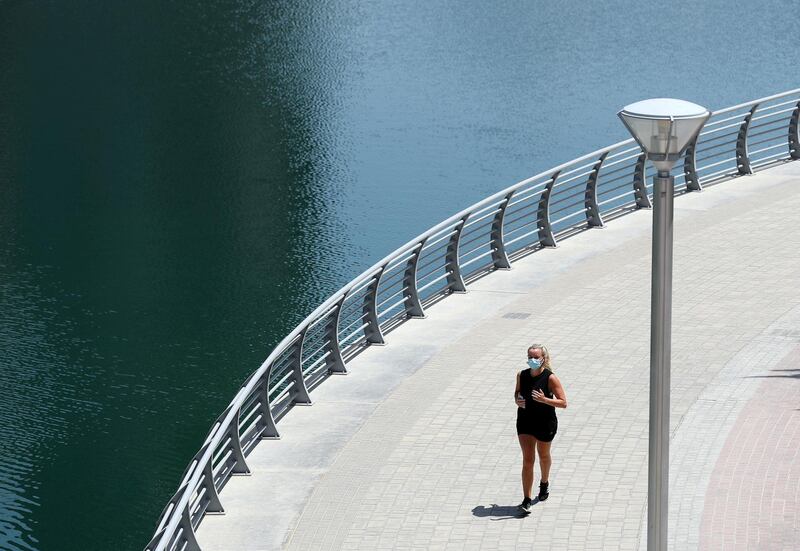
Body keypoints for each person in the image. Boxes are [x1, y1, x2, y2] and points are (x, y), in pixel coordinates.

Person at [514, 344, 567, 514]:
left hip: (545, 422)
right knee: (527, 460)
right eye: (530, 357)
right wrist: (517, 400)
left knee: (543, 455)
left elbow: (563, 402)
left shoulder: (550, 378)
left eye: (536, 357)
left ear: (544, 358)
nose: (532, 360)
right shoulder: (521, 375)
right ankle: (526, 499)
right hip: (525, 421)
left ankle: (544, 483)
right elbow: (517, 393)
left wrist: (545, 400)